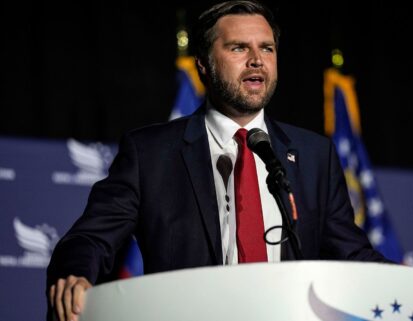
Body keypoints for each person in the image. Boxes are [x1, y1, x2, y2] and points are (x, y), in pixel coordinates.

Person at [46, 1, 391, 321]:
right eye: (239, 48)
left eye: (267, 48)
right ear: (203, 65)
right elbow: (88, 240)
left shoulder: (315, 155)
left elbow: (353, 256)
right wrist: (74, 275)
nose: (257, 60)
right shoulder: (150, 153)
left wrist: (408, 287)